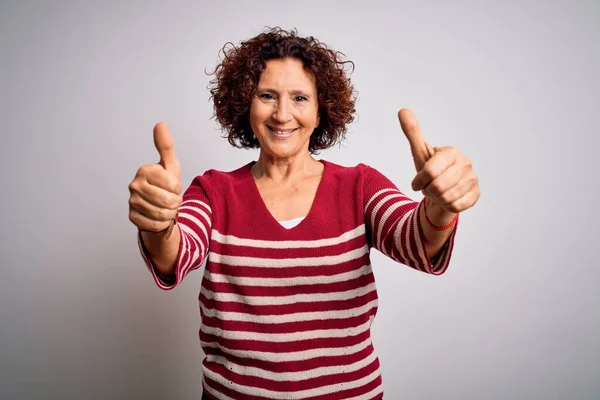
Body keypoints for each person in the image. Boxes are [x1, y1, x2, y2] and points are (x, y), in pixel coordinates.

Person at [128, 27, 480, 400]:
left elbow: (419, 241)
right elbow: (174, 255)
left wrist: (441, 206)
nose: (282, 114)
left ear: (320, 108)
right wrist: (158, 223)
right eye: (267, 95)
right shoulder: (215, 192)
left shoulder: (358, 187)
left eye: (299, 97)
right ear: (245, 103)